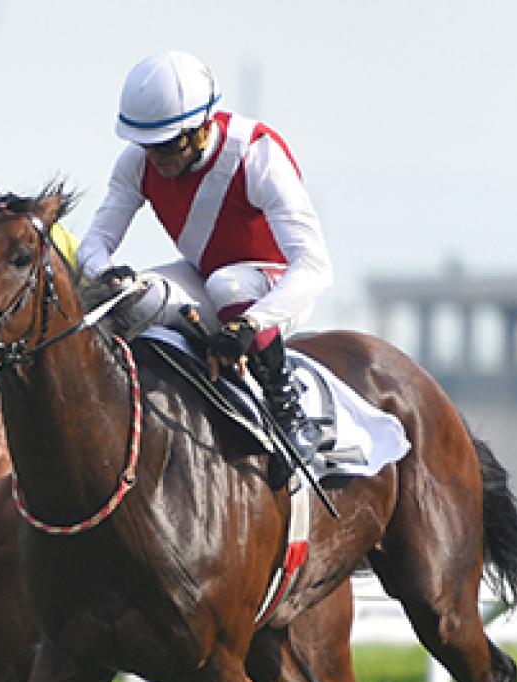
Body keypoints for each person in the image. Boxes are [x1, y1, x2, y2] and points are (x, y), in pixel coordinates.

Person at [77, 50, 334, 471]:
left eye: (167, 146)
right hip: (208, 277)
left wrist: (251, 324)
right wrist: (106, 273)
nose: (156, 160)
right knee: (127, 297)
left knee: (228, 286)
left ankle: (289, 412)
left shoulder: (257, 156)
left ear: (201, 127)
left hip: (273, 286)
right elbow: (93, 244)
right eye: (147, 146)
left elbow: (315, 267)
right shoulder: (138, 162)